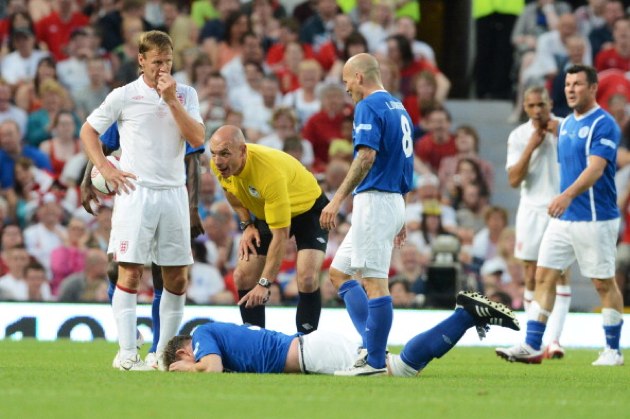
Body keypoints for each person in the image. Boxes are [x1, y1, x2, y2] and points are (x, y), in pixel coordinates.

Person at [79, 30, 205, 371]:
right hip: (136, 193)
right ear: (141, 60)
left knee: (177, 278)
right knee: (129, 272)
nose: (162, 68)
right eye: (156, 62)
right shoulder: (124, 96)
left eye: (168, 61)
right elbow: (88, 131)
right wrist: (104, 167)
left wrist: (172, 100)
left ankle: (162, 355)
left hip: (174, 193)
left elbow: (196, 138)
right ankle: (126, 353)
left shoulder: (186, 94)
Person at [497, 65, 625, 366]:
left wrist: (565, 196)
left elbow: (595, 169)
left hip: (595, 217)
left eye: (578, 84)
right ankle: (532, 345)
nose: (570, 89)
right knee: (543, 275)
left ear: (593, 88)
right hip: (564, 220)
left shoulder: (603, 124)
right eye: (568, 84)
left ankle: (612, 351)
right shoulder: (565, 125)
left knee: (602, 284)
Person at [319, 53, 414, 376]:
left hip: (375, 202)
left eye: (347, 81)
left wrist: (337, 199)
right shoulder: (399, 108)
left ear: (359, 77)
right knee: (339, 273)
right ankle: (371, 343)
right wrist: (401, 213)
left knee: (375, 282)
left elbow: (366, 157)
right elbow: (403, 163)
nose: (346, 89)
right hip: (389, 201)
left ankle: (374, 361)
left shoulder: (369, 106)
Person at [163, 291, 520, 375]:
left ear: (182, 351)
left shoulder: (201, 335)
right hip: (312, 347)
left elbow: (209, 368)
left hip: (312, 353)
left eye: (185, 358)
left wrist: (188, 369)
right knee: (393, 363)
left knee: (401, 370)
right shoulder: (213, 334)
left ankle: (464, 316)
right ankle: (465, 317)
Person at [208, 125, 328, 334]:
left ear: (243, 150)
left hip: (308, 208)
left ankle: (306, 346)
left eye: (225, 154)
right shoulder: (220, 165)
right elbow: (233, 196)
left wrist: (264, 283)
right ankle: (255, 341)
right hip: (268, 210)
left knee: (307, 278)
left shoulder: (268, 173)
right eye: (214, 153)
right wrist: (247, 225)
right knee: (243, 276)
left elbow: (280, 237)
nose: (218, 161)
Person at [505, 85, 571, 358]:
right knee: (532, 275)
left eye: (541, 105)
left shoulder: (567, 128)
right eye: (531, 106)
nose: (537, 111)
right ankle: (533, 339)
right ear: (525, 108)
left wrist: (560, 138)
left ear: (550, 103)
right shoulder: (519, 136)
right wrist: (532, 145)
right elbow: (513, 180)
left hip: (560, 207)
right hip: (531, 210)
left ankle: (554, 340)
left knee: (560, 274)